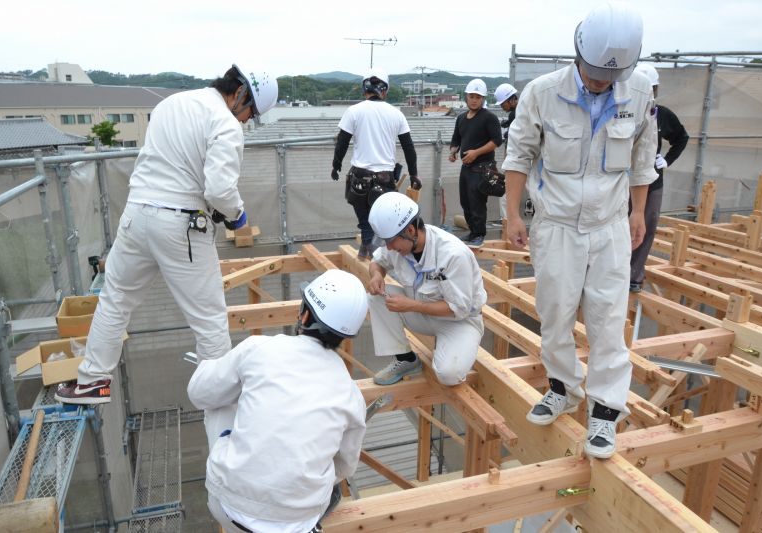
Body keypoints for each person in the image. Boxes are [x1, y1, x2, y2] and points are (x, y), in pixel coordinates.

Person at [56, 64, 278, 405]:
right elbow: (219, 190)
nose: (247, 120)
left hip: (136, 216)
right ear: (241, 94)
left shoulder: (171, 104)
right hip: (181, 224)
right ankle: (221, 403)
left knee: (116, 300)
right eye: (251, 112)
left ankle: (92, 382)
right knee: (209, 319)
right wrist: (237, 215)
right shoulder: (225, 124)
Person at [501, 2, 657, 459]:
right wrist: (513, 214)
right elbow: (519, 155)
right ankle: (563, 388)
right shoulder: (542, 93)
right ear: (577, 52)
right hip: (557, 226)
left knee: (609, 319)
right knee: (555, 314)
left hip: (609, 225)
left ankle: (606, 410)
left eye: (608, 76)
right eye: (591, 72)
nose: (598, 82)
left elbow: (644, 159)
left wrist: (639, 211)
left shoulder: (640, 91)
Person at [187, 270, 368, 533]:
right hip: (299, 522)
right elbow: (345, 465)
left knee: (220, 397)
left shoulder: (259, 348)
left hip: (229, 508)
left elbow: (199, 393)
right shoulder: (351, 394)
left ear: (305, 314)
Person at [366, 192, 487, 386]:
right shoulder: (400, 246)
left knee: (448, 375)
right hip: (421, 314)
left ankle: (453, 347)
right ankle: (405, 359)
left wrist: (411, 305)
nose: (388, 247)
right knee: (375, 298)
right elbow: (377, 261)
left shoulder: (452, 254)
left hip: (459, 322)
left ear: (411, 231)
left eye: (391, 241)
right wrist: (376, 275)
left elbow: (459, 308)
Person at [331, 68, 422, 260]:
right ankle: (371, 253)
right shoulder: (396, 114)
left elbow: (342, 141)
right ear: (384, 90)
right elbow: (408, 147)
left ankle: (370, 254)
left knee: (365, 221)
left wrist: (336, 165)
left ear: (365, 89)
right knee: (384, 221)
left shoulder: (354, 111)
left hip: (359, 179)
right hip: (385, 179)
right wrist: (414, 174)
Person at [629, 63, 689, 293]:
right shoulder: (624, 112)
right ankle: (611, 272)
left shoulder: (662, 115)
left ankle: (634, 274)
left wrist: (668, 159)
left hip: (652, 182)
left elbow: (681, 137)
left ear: (654, 90)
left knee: (646, 226)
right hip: (623, 182)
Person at [449, 79, 504, 248]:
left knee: (477, 202)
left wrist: (476, 153)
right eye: (471, 96)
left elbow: (497, 141)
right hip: (466, 168)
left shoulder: (489, 118)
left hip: (482, 168)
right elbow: (456, 139)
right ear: (466, 97)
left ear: (483, 99)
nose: (474, 100)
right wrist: (453, 152)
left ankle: (479, 234)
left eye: (478, 97)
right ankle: (473, 231)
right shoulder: (461, 118)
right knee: (465, 201)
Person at [493, 83, 520, 223]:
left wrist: (507, 132)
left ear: (511, 100)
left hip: (518, 160)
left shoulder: (517, 114)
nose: (502, 106)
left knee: (505, 190)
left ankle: (506, 221)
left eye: (503, 103)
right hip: (523, 160)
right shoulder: (521, 111)